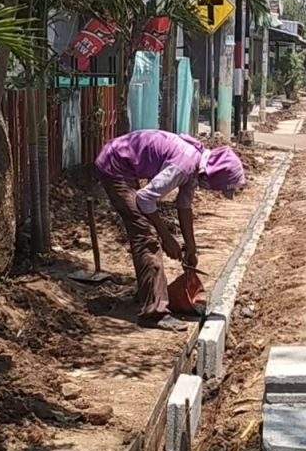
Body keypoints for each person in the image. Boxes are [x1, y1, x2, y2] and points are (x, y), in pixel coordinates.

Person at [95, 130, 246, 331]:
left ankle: (146, 295)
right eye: (218, 186)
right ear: (216, 175)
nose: (213, 189)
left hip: (125, 164)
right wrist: (167, 237)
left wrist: (191, 247)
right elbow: (144, 198)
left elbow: (184, 206)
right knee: (146, 236)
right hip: (114, 164)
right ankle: (154, 313)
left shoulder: (195, 164)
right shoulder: (185, 165)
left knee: (145, 231)